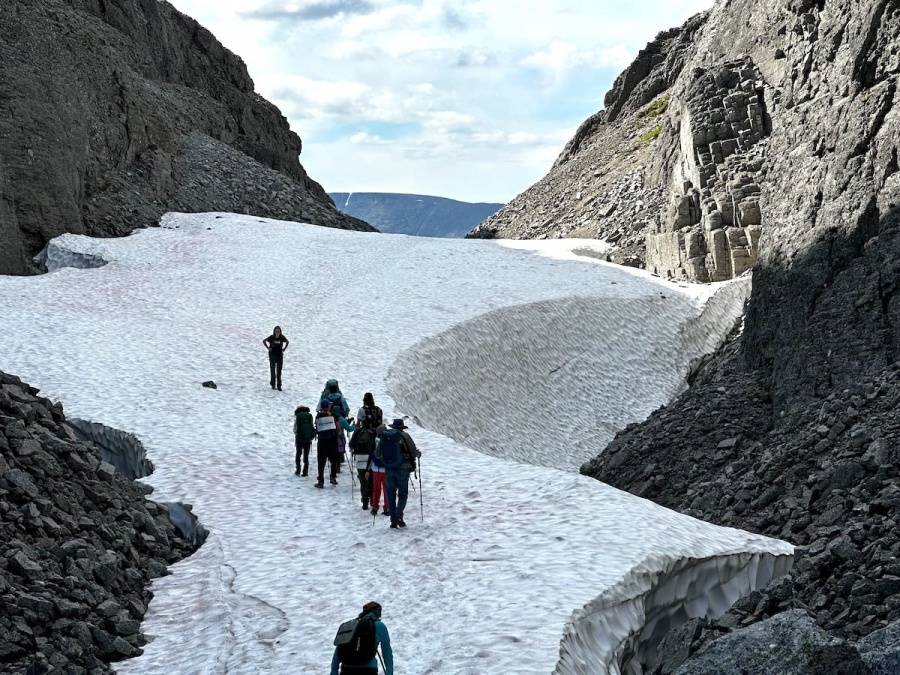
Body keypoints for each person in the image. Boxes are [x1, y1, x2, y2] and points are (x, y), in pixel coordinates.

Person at [375, 419, 420, 529]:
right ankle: (399, 515)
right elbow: (413, 452)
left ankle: (393, 520)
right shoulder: (405, 436)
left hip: (389, 469)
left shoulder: (385, 437)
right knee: (402, 494)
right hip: (403, 469)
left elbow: (377, 454)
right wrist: (418, 454)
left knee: (390, 494)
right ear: (402, 428)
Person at [331, 601, 393, 675]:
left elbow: (338, 650)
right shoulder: (380, 626)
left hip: (347, 669)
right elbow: (387, 653)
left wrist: (334, 672)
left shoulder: (350, 625)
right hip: (369, 670)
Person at [349, 394, 382, 510]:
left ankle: (364, 501)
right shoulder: (378, 411)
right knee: (372, 479)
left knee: (363, 480)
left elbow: (351, 444)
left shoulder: (358, 432)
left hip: (360, 457)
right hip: (371, 456)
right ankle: (373, 499)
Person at [293, 404, 316, 477]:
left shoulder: (298, 417)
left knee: (298, 454)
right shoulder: (309, 416)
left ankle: (298, 470)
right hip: (308, 438)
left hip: (299, 438)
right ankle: (305, 472)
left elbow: (295, 429)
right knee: (306, 455)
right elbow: (312, 426)